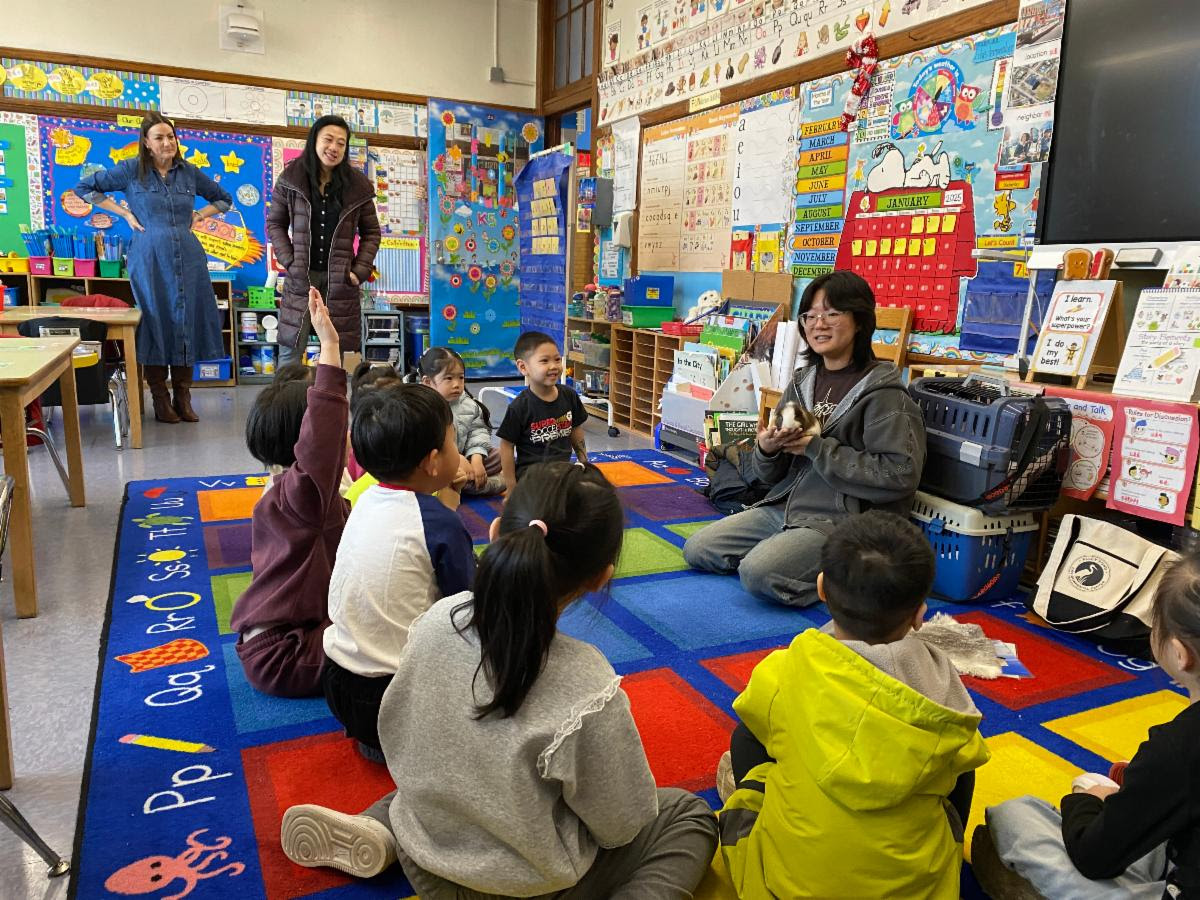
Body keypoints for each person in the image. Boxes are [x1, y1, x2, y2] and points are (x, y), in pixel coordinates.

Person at [281, 462, 720, 896]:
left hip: (430, 862)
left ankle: (381, 829)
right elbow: (622, 824)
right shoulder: (589, 684)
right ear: (600, 577)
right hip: (528, 886)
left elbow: (399, 735)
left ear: (493, 534)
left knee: (427, 787)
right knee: (687, 816)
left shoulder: (436, 619)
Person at [717, 510, 989, 898]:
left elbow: (753, 716)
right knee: (963, 762)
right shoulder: (946, 688)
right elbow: (964, 764)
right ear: (919, 613)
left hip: (784, 888)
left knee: (749, 737)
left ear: (822, 587)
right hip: (918, 890)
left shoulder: (788, 667)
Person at [683, 271, 926, 607]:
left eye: (831, 313)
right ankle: (791, 556)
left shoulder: (885, 395)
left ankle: (852, 582)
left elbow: (900, 475)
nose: (818, 324)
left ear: (859, 321)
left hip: (841, 521)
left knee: (757, 573)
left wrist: (816, 447)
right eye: (810, 315)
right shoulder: (803, 382)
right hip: (785, 506)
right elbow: (767, 475)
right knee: (699, 549)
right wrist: (767, 450)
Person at [975, 553, 1200, 899]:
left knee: (1016, 815)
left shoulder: (1176, 748)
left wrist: (1086, 800)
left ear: (1179, 653)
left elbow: (1092, 858)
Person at [321, 381, 473, 760]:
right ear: (432, 461)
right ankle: (403, 748)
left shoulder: (366, 498)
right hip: (394, 699)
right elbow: (468, 607)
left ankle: (379, 742)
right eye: (456, 443)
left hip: (337, 682)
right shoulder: (438, 523)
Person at [73, 112, 232, 424]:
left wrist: (199, 216)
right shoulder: (132, 171)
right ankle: (159, 396)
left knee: (187, 320)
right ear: (146, 143)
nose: (167, 142)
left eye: (171, 136)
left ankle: (183, 395)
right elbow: (85, 187)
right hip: (149, 256)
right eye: (159, 137)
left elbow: (223, 199)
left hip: (188, 256)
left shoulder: (188, 173)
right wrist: (123, 213)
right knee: (156, 321)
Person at [231, 288, 346, 698]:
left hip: (285, 637)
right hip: (286, 654)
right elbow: (325, 433)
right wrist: (330, 347)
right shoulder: (303, 494)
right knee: (393, 633)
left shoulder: (281, 489)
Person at [267, 115, 381, 367]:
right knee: (290, 347)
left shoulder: (357, 187)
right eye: (328, 140)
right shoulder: (291, 179)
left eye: (341, 143)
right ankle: (287, 405)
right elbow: (275, 223)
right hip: (301, 277)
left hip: (340, 280)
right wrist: (289, 261)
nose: (334, 147)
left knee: (339, 348)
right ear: (314, 141)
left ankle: (335, 403)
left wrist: (358, 271)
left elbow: (372, 232)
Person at [496, 331, 588, 495]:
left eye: (557, 359)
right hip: (531, 478)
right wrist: (511, 486)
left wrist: (585, 463)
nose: (553, 366)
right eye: (544, 361)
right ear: (523, 367)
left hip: (562, 473)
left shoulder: (569, 396)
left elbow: (576, 430)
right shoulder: (519, 407)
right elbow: (506, 446)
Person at [412, 346, 505, 502]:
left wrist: (476, 457)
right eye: (448, 378)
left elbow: (478, 431)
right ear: (428, 382)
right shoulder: (421, 408)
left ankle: (476, 480)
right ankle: (486, 483)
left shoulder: (468, 404)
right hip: (439, 464)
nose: (457, 384)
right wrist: (457, 459)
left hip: (467, 457)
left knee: (504, 455)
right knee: (453, 477)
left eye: (460, 378)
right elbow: (425, 447)